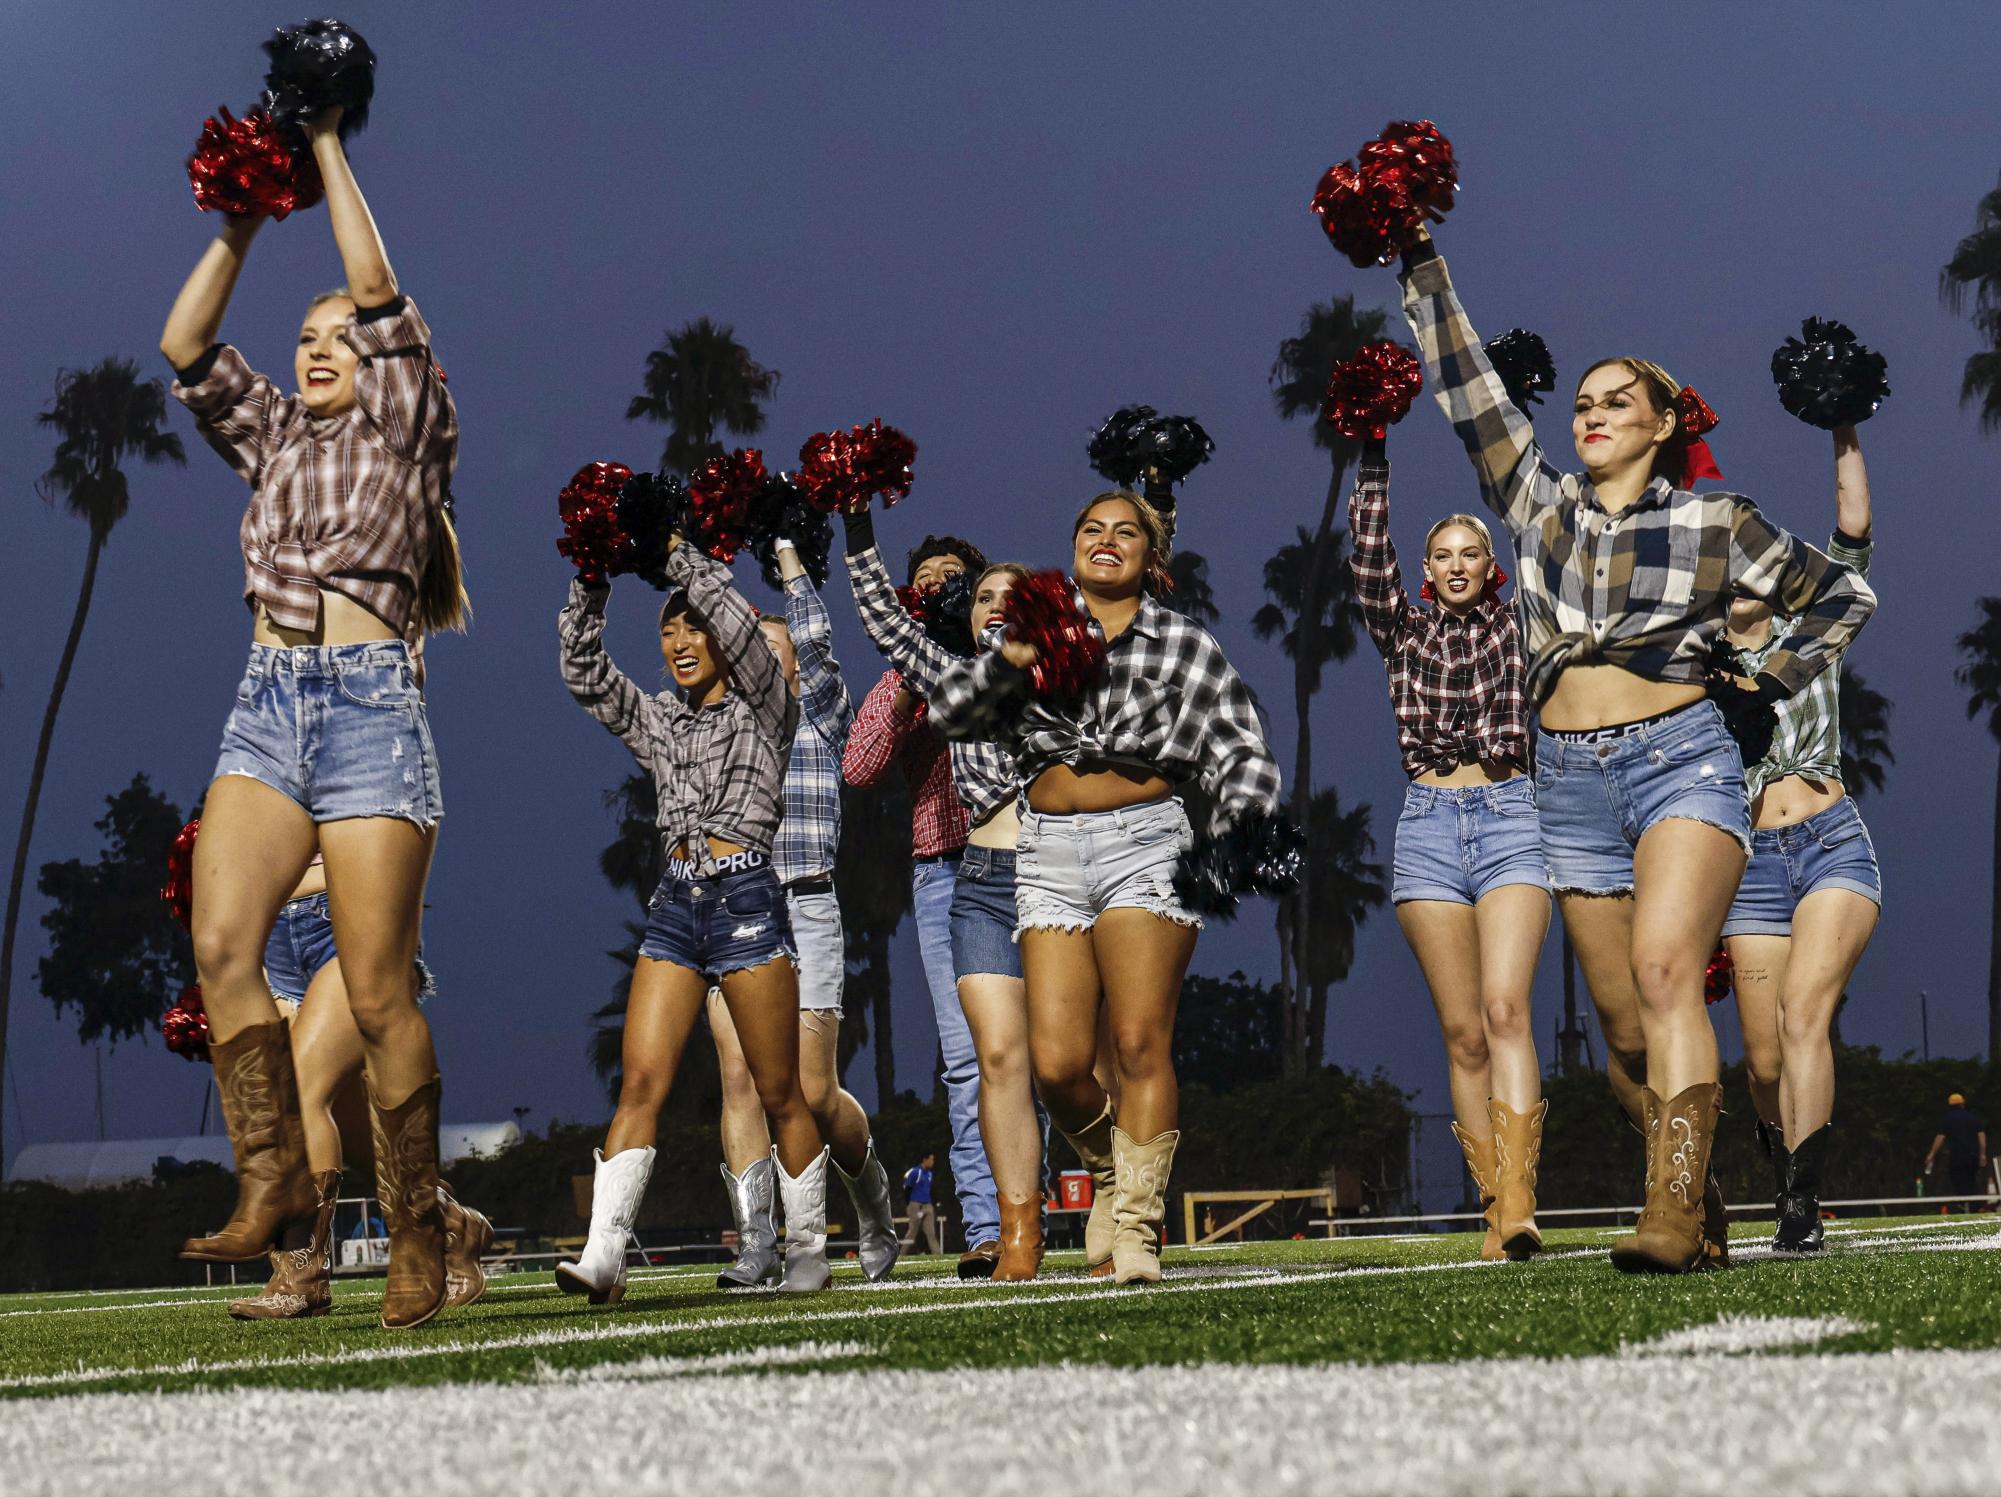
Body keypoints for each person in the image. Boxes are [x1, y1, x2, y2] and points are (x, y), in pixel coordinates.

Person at [1400, 225, 1876, 1273]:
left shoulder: (1718, 519)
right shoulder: (1537, 506)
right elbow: (1471, 388)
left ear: (1664, 422)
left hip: (1683, 756)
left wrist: (1773, 675)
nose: (1593, 414)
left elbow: (1842, 591)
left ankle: (1663, 1216)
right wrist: (1417, 253)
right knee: (1622, 1033)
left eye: (1619, 401)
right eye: (1583, 402)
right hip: (1565, 779)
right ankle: (1696, 1189)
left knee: (1668, 974)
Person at [161, 107, 469, 1329]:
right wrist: (242, 220)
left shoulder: (410, 435)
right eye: (304, 336)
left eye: (338, 335)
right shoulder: (277, 438)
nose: (319, 345)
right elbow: (185, 342)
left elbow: (382, 289)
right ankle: (274, 1174)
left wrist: (327, 146)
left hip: (369, 710)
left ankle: (417, 1228)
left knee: (384, 996)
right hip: (266, 699)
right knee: (223, 944)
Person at [932, 491, 1283, 1284]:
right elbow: (951, 713)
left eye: (1126, 531)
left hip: (1146, 841)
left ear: (1150, 559)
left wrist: (1241, 835)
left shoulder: (1183, 642)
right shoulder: (1035, 637)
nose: (1106, 539)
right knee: (1055, 1065)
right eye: (1091, 528)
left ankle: (1136, 1231)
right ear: (1072, 548)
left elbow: (1243, 749)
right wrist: (1012, 657)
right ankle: (1121, 1167)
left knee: (1135, 1041)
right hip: (1047, 847)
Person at [556, 529, 831, 1300]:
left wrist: (678, 552)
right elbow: (583, 671)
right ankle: (602, 1256)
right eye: (668, 629)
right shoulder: (659, 718)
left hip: (746, 897)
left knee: (778, 1092)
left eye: (692, 625)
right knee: (640, 1081)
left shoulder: (765, 705)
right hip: (675, 904)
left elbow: (746, 633)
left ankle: (807, 1252)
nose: (679, 640)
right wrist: (592, 575)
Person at [1347, 436, 1550, 1261]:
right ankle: (1493, 1203)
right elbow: (1366, 562)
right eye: (1442, 555)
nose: (1458, 564)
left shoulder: (1519, 623)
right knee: (1463, 1033)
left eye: (1472, 553)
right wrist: (1372, 456)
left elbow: (1542, 543)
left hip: (1510, 817)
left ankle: (1524, 1202)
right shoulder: (1403, 631)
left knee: (1507, 1010)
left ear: (1489, 566)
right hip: (1427, 825)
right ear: (1425, 571)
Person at [843, 506, 1048, 1279]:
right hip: (945, 873)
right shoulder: (915, 669)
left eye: (950, 583)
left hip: (1038, 857)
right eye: (919, 584)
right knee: (971, 1061)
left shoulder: (1018, 657)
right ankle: (994, 1224)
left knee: (1052, 1051)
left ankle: (1066, 1202)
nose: (933, 592)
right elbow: (859, 766)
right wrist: (906, 669)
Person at [707, 537, 900, 1289]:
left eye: (775, 646)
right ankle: (762, 1244)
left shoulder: (820, 718)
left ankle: (874, 1204)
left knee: (812, 1090)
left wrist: (787, 555)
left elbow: (816, 642)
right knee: (740, 1078)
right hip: (734, 909)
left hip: (807, 906)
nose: (767, 657)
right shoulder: (719, 729)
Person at [1723, 426, 1881, 1256]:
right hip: (1747, 869)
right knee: (1759, 1061)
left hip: (1830, 844)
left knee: (1801, 1015)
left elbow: (1852, 525)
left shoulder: (1813, 631)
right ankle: (1781, 1166)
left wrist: (1844, 420)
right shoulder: (1694, 664)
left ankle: (1801, 1205)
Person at [228, 854, 493, 1319]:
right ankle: (451, 1223)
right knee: (348, 1134)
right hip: (271, 929)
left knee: (296, 1098)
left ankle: (300, 1275)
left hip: (346, 916)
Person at [1925, 1094, 1989, 1211]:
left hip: (1957, 1156)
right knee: (1971, 1180)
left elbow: (1940, 1137)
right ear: (1962, 1104)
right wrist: (1983, 1154)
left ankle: (1969, 1205)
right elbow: (1981, 1137)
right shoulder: (1973, 1118)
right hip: (1973, 1156)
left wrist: (1932, 1154)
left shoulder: (1948, 1119)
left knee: (1958, 1180)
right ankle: (1974, 1205)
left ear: (1950, 1106)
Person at [902, 1151, 943, 1254]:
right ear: (925, 1160)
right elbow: (907, 1188)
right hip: (916, 1205)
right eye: (931, 1159)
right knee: (912, 1232)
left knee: (931, 1232)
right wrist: (909, 1205)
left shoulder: (929, 1174)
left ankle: (938, 1256)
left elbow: (930, 1190)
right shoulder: (916, 1172)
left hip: (927, 1205)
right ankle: (900, 1255)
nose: (933, 1162)